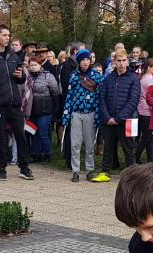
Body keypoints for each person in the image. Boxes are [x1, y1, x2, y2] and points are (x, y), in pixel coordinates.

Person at [0, 24, 34, 181]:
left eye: (9, 35)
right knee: (0, 139)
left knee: (21, 136)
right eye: (4, 35)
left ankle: (24, 168)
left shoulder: (13, 56)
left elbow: (21, 78)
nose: (7, 38)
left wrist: (20, 76)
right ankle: (1, 168)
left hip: (15, 104)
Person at [91, 50, 140, 182]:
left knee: (129, 148)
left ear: (127, 61)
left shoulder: (134, 78)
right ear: (114, 62)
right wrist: (108, 118)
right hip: (108, 120)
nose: (121, 63)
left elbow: (133, 100)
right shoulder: (109, 78)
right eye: (118, 61)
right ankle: (105, 172)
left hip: (127, 120)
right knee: (108, 148)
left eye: (124, 60)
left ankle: (133, 176)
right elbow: (102, 98)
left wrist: (118, 118)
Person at [62, 48, 103, 182]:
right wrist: (66, 115)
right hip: (76, 113)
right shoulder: (74, 76)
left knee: (90, 144)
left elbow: (100, 97)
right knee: (75, 144)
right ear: (79, 62)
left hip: (90, 113)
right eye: (83, 60)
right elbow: (69, 97)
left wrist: (98, 114)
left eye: (87, 60)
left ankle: (90, 169)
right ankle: (75, 170)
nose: (85, 62)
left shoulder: (97, 76)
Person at [58, 41, 85, 166]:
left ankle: (72, 158)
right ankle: (70, 159)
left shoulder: (74, 65)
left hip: (75, 104)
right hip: (71, 104)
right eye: (83, 50)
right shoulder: (69, 67)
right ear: (76, 51)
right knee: (71, 132)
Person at [28, 58, 59, 162]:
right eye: (31, 65)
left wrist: (55, 109)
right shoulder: (28, 77)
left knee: (43, 133)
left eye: (35, 65)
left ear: (40, 65)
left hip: (45, 110)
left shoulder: (48, 76)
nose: (33, 67)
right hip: (31, 111)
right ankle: (36, 154)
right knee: (34, 133)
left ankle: (47, 153)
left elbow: (55, 93)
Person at [135, 58, 153, 163]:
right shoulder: (149, 80)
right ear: (149, 68)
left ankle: (150, 159)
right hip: (146, 111)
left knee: (148, 137)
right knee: (146, 137)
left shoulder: (144, 77)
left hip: (144, 110)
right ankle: (136, 155)